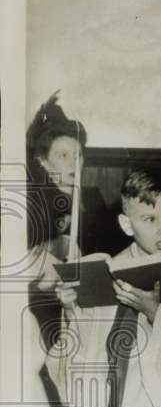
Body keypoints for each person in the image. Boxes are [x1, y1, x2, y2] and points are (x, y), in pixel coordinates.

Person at [47, 168, 161, 407]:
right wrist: (71, 308)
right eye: (150, 219)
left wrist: (155, 314)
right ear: (127, 224)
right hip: (107, 406)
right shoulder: (108, 270)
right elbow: (90, 344)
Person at [25, 93, 120, 348]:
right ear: (43, 162)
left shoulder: (93, 197)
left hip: (93, 301)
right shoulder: (34, 204)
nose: (73, 163)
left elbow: (110, 251)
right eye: (63, 156)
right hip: (50, 307)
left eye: (77, 155)